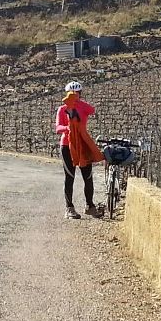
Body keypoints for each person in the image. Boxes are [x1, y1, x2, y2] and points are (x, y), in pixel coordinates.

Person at [55, 80, 103, 219]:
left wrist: (78, 104)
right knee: (69, 176)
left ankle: (90, 206)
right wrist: (68, 128)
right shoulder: (62, 109)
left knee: (88, 176)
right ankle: (69, 208)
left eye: (77, 93)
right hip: (67, 145)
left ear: (80, 94)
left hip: (83, 144)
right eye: (72, 93)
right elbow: (58, 128)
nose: (74, 95)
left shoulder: (83, 106)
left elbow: (92, 110)